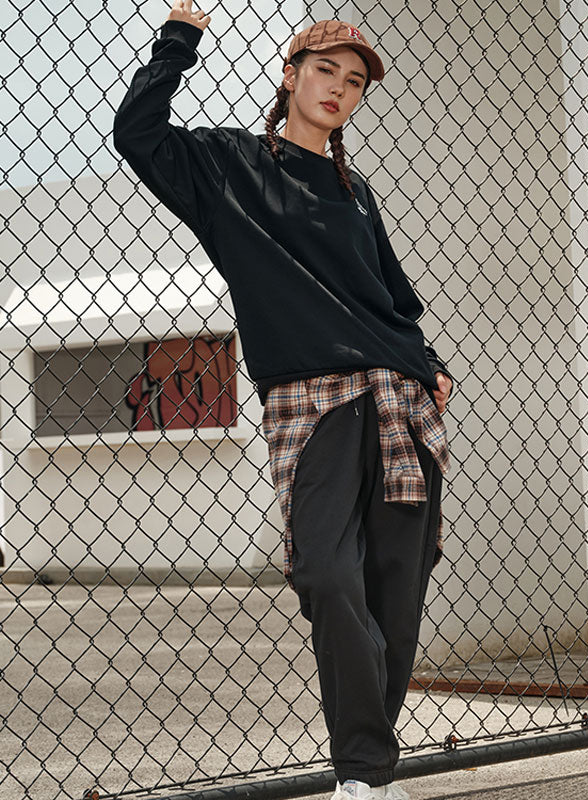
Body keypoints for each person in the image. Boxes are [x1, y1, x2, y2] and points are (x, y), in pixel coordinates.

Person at [113, 3, 457, 799]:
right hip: (314, 404)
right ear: (291, 75)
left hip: (400, 398)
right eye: (325, 70)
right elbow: (137, 134)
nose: (339, 89)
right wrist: (179, 38)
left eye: (355, 81)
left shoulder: (355, 189)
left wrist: (430, 363)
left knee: (397, 594)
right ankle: (366, 771)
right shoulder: (229, 166)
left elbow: (394, 300)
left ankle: (367, 779)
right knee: (329, 578)